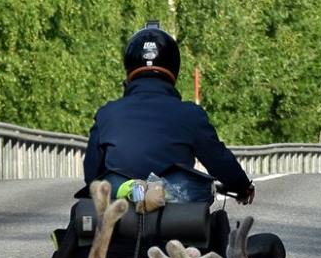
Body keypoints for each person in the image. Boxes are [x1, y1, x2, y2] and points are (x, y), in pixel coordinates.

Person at [85, 22, 254, 205]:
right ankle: (158, 193)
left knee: (102, 190)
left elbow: (91, 174)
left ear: (129, 68)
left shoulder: (107, 114)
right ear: (173, 67)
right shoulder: (190, 114)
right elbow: (217, 159)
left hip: (121, 206)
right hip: (173, 208)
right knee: (202, 189)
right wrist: (241, 185)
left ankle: (133, 191)